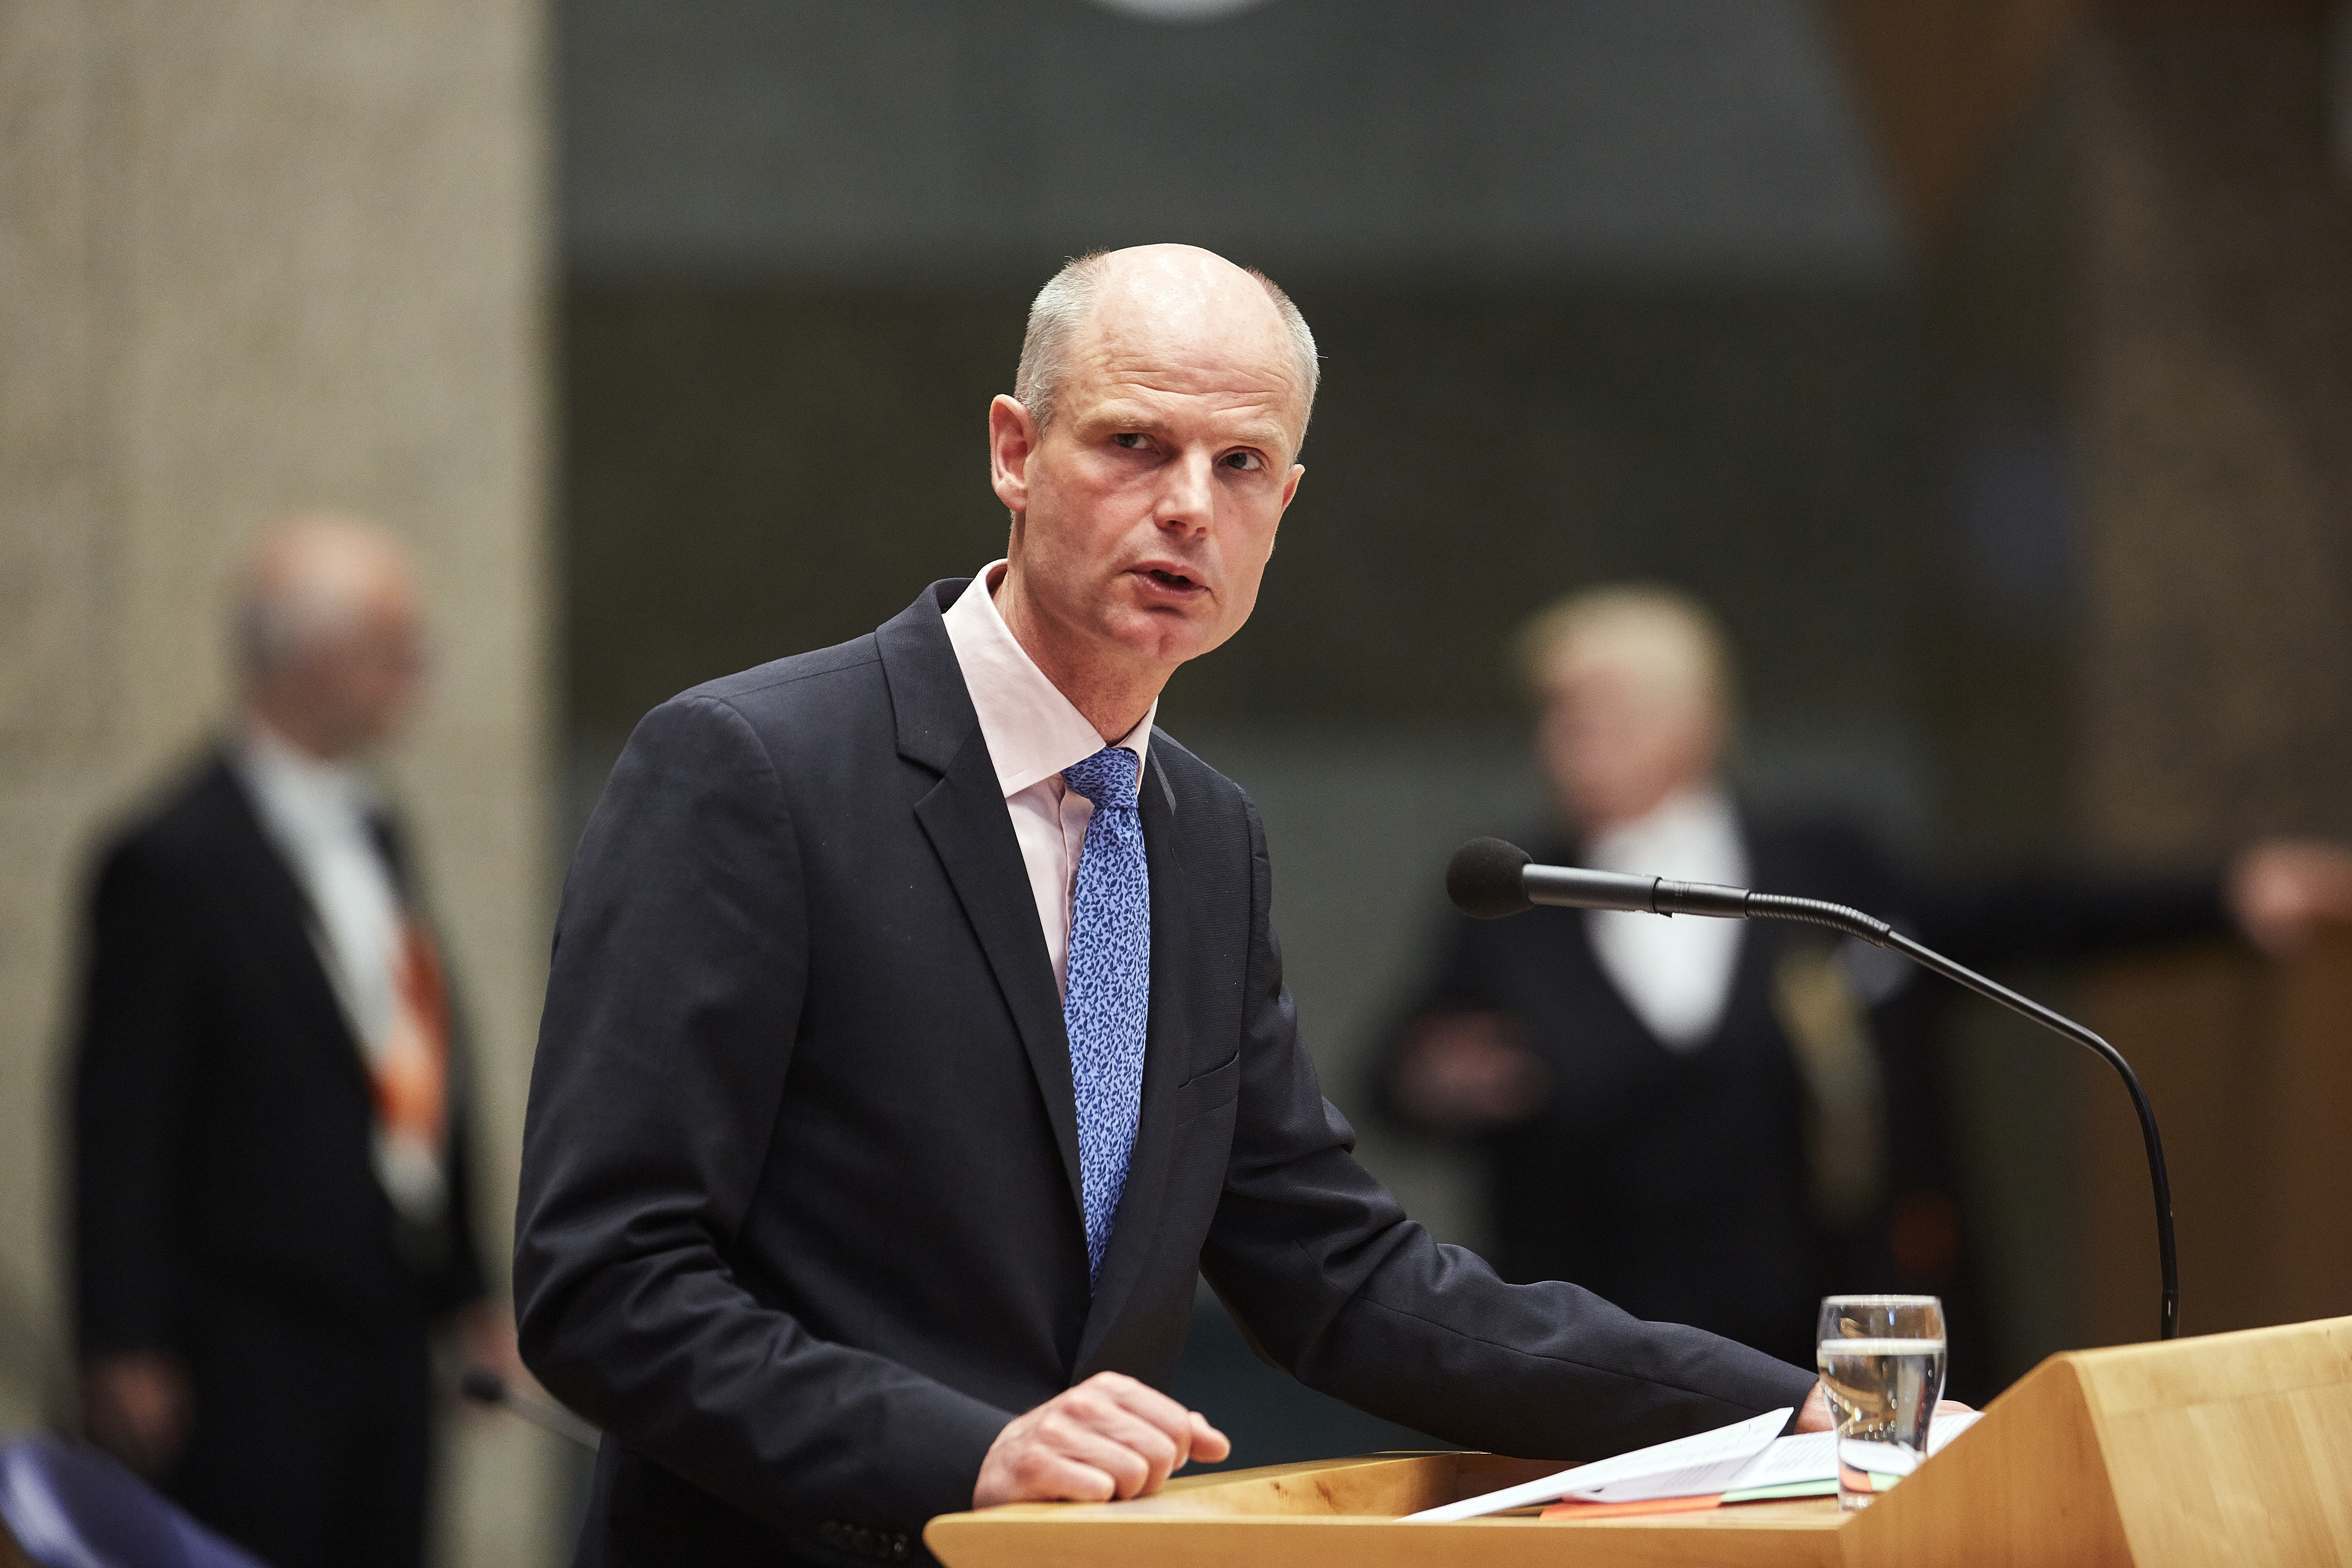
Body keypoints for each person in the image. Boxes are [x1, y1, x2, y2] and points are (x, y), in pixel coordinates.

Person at [511, 246, 1912, 1568]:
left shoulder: (1200, 833)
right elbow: (609, 1285)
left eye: (1240, 465)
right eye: (1134, 445)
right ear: (1014, 449)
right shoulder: (753, 769)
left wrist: (1783, 1409)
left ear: (1284, 508)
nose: (1189, 503)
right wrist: (970, 1453)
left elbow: (1339, 1276)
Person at [1376, 585, 2352, 1381]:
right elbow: (1393, 1077)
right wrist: (1440, 1083)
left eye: (1600, 713)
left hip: (1841, 1325)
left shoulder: (1821, 868)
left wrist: (2222, 898)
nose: (1568, 739)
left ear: (1698, 722)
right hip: (1611, 1343)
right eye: (1556, 714)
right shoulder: (1520, 896)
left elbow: (2012, 917)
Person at [71, 514, 514, 1568]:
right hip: (240, 1341)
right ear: (304, 655)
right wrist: (121, 1337)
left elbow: (410, 1058)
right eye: (390, 645)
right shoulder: (171, 856)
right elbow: (119, 1113)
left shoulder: (374, 826)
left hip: (386, 1327)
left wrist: (466, 1284)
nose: (419, 672)